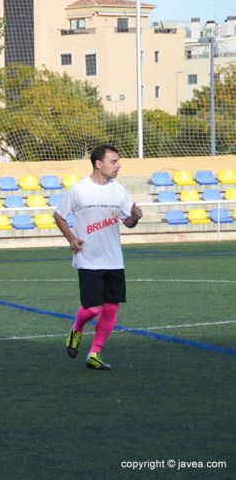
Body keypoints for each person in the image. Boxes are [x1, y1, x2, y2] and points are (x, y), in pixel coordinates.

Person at [55, 144, 142, 371]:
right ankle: (77, 328)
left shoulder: (119, 191)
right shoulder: (79, 190)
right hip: (88, 259)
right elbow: (59, 215)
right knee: (93, 309)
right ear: (98, 163)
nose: (118, 165)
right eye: (114, 161)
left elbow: (128, 223)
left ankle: (95, 353)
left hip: (114, 260)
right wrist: (71, 238)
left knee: (111, 309)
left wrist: (135, 217)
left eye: (118, 161)